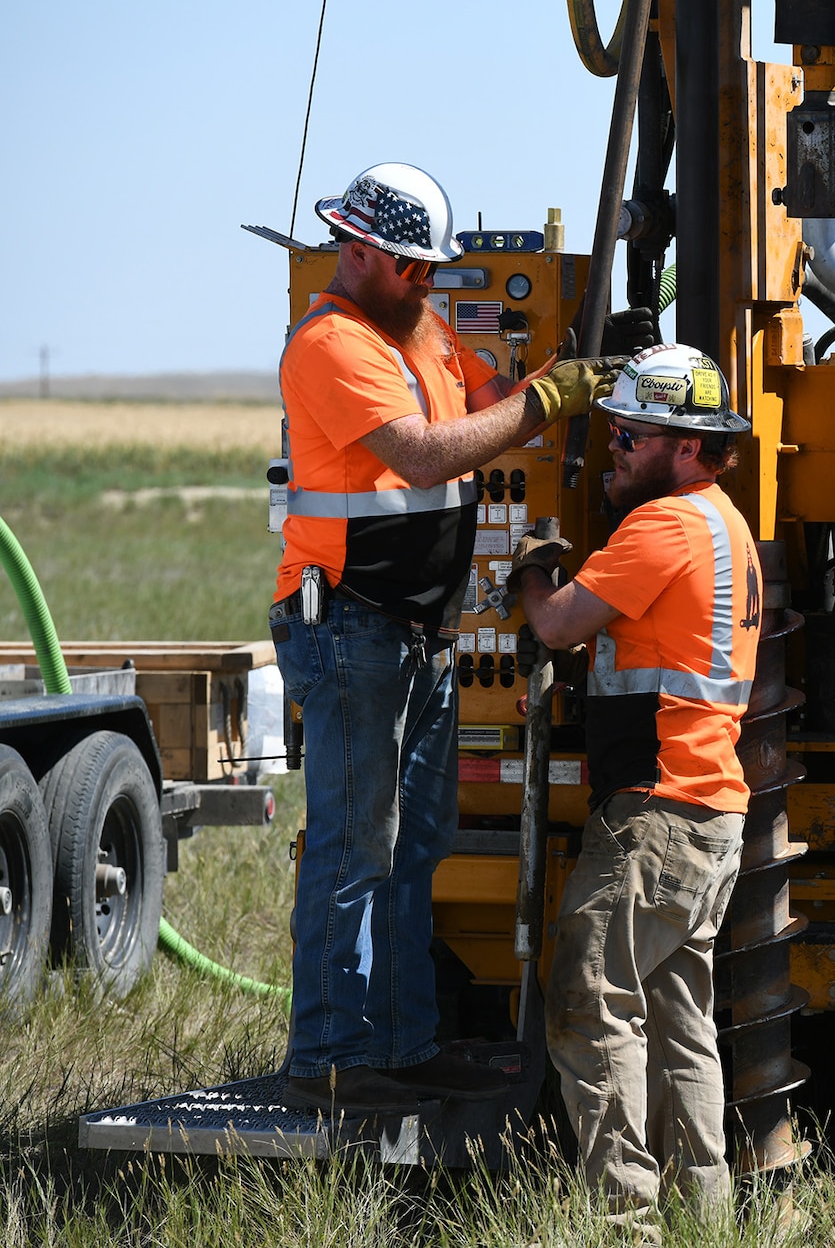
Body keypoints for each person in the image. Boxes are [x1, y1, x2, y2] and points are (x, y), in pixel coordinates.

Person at [272, 162, 620, 1114]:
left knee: (413, 843)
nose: (428, 280)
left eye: (433, 267)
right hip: (348, 623)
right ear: (360, 251)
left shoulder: (417, 326)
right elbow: (426, 451)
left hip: (416, 631)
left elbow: (489, 398)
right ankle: (332, 1062)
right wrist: (543, 406)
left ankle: (402, 1043)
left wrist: (569, 379)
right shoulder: (331, 343)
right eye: (413, 267)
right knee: (354, 848)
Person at [509, 343, 758, 1219]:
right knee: (679, 1017)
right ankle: (705, 1216)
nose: (611, 448)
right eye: (611, 431)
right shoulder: (726, 524)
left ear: (687, 447)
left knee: (587, 996)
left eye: (631, 436)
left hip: (656, 810)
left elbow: (555, 623)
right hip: (711, 811)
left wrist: (533, 559)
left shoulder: (665, 527)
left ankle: (625, 1222)